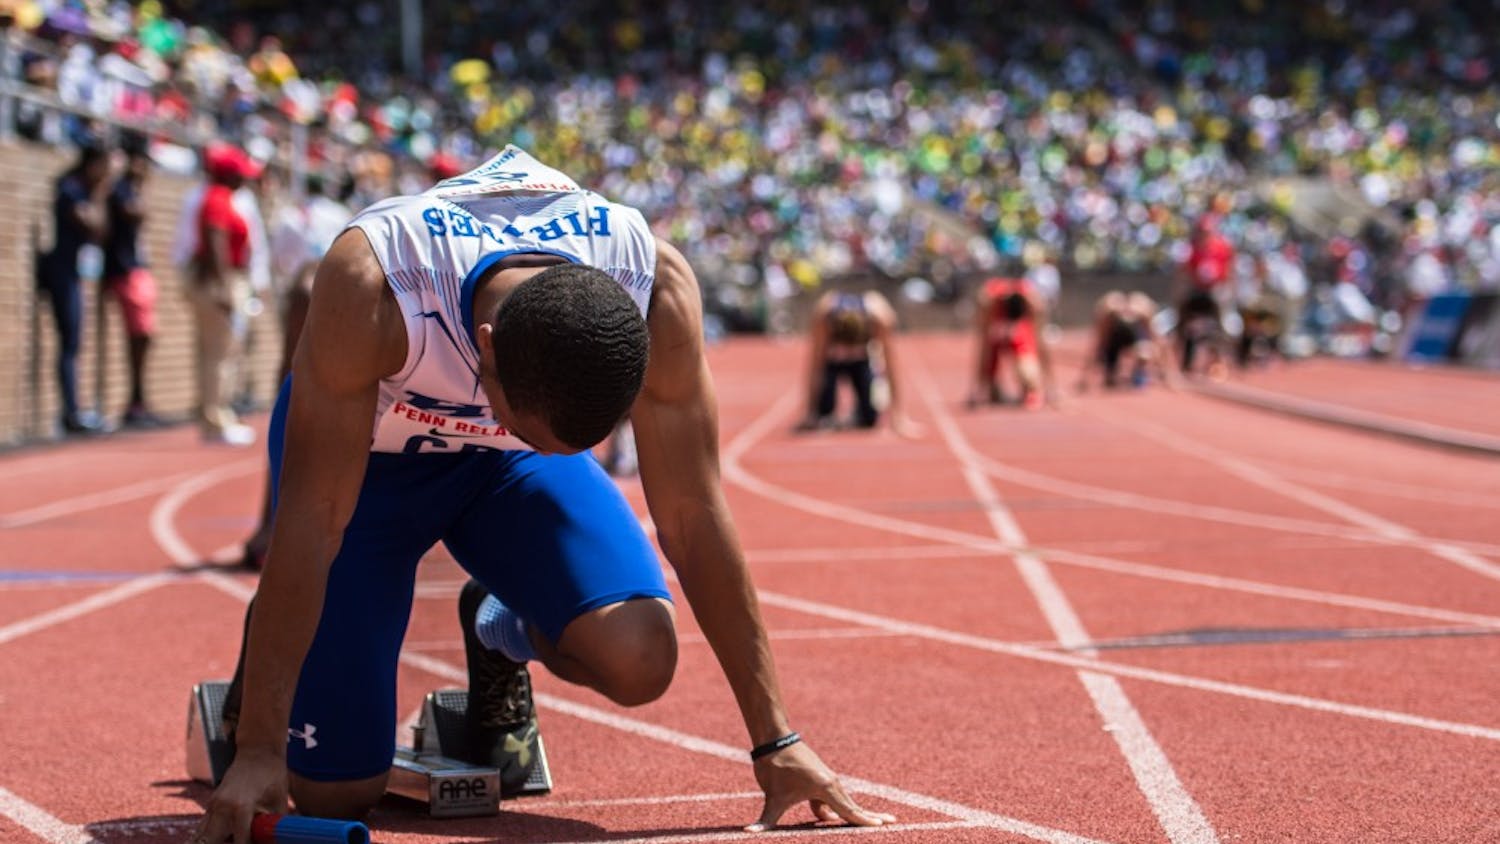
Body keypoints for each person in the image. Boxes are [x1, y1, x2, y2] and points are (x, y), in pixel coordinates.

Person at [191, 146, 893, 843]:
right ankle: (265, 669)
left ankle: (498, 624)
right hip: (368, 469)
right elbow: (312, 523)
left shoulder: (655, 285)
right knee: (334, 793)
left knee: (641, 658)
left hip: (505, 468)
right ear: (485, 350)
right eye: (528, 425)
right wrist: (258, 750)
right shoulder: (375, 283)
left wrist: (776, 738)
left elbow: (692, 513)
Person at [238, 172, 353, 568]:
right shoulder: (341, 219)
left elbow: (279, 268)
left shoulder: (291, 224)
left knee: (293, 431)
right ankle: (280, 529)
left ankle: (273, 529)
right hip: (339, 320)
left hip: (316, 315)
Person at [182, 144, 263, 446]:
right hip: (223, 280)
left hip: (220, 279)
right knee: (222, 353)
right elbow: (215, 239)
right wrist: (224, 285)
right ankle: (217, 420)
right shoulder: (218, 199)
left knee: (214, 352)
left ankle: (213, 416)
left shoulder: (218, 197)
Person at [38, 134, 116, 435]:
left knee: (76, 342)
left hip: (79, 273)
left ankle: (76, 407)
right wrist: (99, 193)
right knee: (69, 341)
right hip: (63, 272)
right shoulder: (70, 188)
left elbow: (105, 231)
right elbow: (93, 225)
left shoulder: (85, 190)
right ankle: (70, 411)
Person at [794, 289, 921, 437]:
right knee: (823, 415)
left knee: (869, 419)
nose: (849, 354)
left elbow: (891, 367)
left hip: (863, 361)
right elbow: (815, 365)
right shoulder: (824, 317)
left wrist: (898, 417)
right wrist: (810, 412)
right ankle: (826, 411)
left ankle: (857, 413)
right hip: (832, 361)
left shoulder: (881, 318)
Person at [102, 131, 162, 428]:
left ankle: (138, 400)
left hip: (136, 269)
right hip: (126, 271)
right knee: (140, 336)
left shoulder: (129, 188)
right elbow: (136, 214)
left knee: (145, 338)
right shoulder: (122, 190)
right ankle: (135, 404)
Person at [966, 275, 1056, 410]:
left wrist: (1050, 388)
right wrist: (978, 388)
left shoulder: (1032, 304)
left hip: (1019, 330)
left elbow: (1041, 347)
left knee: (1027, 365)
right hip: (995, 327)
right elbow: (984, 349)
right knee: (991, 366)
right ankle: (993, 388)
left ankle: (1031, 389)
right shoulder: (989, 302)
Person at [1075, 290, 1178, 391]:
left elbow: (1157, 340)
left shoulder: (1142, 309)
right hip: (1113, 343)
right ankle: (1111, 372)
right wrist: (1084, 376)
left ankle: (1138, 373)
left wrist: (1166, 374)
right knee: (1110, 379)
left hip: (1133, 339)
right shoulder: (1109, 311)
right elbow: (1099, 342)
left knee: (1144, 353)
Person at [1175, 214, 1235, 378]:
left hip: (1216, 290)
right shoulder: (1191, 249)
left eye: (1206, 232)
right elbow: (1184, 271)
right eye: (1201, 232)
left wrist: (1227, 290)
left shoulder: (1222, 247)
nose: (1203, 235)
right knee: (1187, 324)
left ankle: (1217, 361)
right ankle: (1186, 361)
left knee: (1218, 327)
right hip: (1197, 290)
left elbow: (1229, 270)